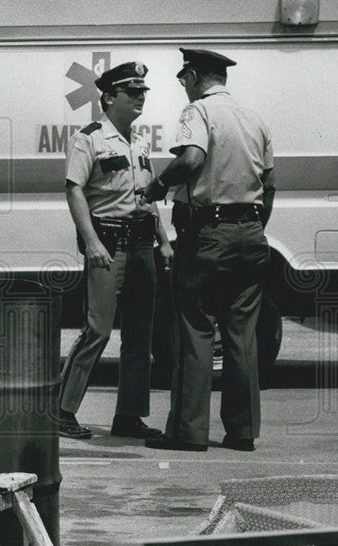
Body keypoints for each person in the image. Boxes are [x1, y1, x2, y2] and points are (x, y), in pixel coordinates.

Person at [139, 48, 275, 452]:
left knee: (194, 329)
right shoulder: (255, 118)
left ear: (195, 76)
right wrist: (252, 228)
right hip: (251, 235)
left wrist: (158, 186)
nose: (184, 88)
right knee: (242, 336)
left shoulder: (198, 112)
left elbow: (193, 157)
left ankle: (187, 432)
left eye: (184, 79)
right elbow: (270, 184)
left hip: (207, 238)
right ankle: (242, 432)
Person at [58, 61, 174, 440]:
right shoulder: (89, 138)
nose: (141, 97)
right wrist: (91, 242)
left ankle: (129, 416)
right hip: (109, 244)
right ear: (109, 97)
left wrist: (164, 239)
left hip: (142, 244)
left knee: (141, 334)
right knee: (98, 329)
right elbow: (74, 188)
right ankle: (61, 410)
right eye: (132, 91)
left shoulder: (138, 143)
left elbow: (146, 196)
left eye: (143, 92)